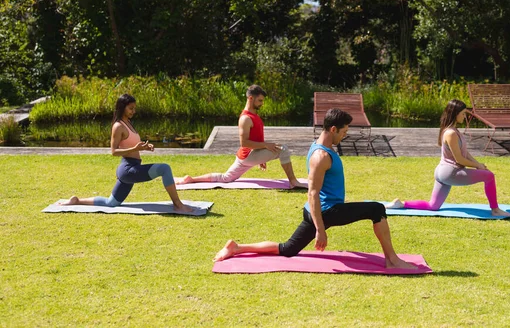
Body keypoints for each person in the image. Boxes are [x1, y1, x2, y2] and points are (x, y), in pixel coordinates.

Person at [213, 108, 417, 269]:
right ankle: (392, 259)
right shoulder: (321, 156)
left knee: (288, 249)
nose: (344, 137)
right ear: (333, 129)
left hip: (315, 211)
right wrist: (320, 230)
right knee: (376, 209)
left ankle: (236, 247)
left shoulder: (318, 145)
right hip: (325, 211)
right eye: (344, 132)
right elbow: (312, 192)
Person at [60, 94, 194, 213]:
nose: (133, 111)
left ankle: (76, 200)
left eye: (134, 108)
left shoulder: (128, 123)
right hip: (129, 169)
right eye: (131, 108)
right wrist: (135, 149)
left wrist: (144, 147)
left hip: (132, 168)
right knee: (164, 168)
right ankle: (178, 205)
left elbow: (133, 145)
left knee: (111, 203)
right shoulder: (118, 126)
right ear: (122, 107)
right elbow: (114, 151)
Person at [387, 99, 510, 217]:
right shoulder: (451, 133)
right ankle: (495, 210)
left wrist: (478, 164)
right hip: (450, 173)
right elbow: (459, 159)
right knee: (489, 176)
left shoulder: (452, 130)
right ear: (456, 114)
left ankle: (401, 203)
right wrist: (477, 166)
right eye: (463, 114)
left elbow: (465, 153)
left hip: (442, 172)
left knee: (433, 206)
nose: (465, 117)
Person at [176, 84, 306, 188]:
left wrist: (262, 157)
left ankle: (191, 179)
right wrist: (265, 146)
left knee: (225, 178)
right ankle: (293, 181)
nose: (262, 103)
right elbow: (244, 143)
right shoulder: (245, 118)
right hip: (248, 155)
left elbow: (256, 137)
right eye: (260, 100)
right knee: (284, 149)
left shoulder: (254, 115)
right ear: (251, 98)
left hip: (246, 156)